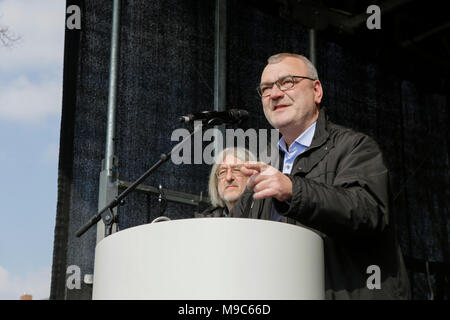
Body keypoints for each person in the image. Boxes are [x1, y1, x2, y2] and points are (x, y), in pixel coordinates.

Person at [231, 53, 411, 299]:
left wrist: (293, 190)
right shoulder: (263, 171)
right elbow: (235, 243)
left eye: (287, 82)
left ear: (316, 91)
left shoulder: (355, 147)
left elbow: (368, 211)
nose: (274, 94)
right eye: (265, 88)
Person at [197, 147, 257, 218]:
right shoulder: (206, 223)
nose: (229, 178)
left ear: (253, 175)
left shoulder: (268, 209)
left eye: (236, 170)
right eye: (222, 172)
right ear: (216, 182)